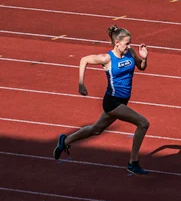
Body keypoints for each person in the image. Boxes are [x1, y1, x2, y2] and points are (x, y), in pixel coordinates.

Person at [53, 25, 152, 175]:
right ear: (117, 43)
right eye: (126, 43)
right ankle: (133, 162)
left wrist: (144, 58)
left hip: (123, 101)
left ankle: (65, 141)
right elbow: (84, 60)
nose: (129, 46)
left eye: (130, 43)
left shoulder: (130, 53)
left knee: (96, 129)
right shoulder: (107, 58)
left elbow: (142, 67)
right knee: (143, 123)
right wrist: (81, 84)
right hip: (112, 101)